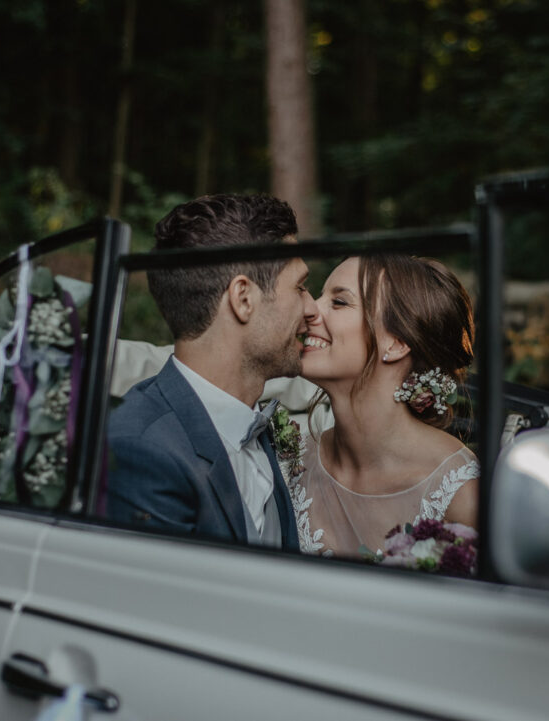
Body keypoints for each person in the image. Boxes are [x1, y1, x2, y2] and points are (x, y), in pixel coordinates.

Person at [106, 194, 318, 550]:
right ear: (243, 298)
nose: (312, 307)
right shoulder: (141, 449)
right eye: (299, 286)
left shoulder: (258, 422)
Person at [289, 254, 478, 557]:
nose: (309, 308)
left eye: (338, 302)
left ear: (396, 344)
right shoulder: (291, 463)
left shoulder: (463, 494)